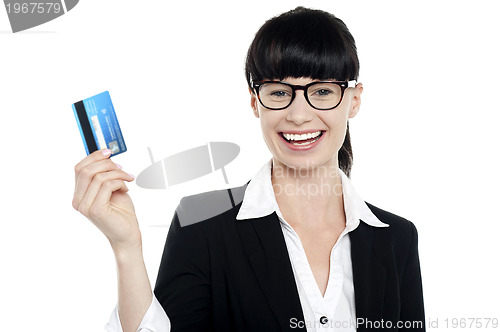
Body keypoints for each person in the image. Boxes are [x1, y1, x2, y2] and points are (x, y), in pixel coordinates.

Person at [72, 6, 425, 332]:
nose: (299, 115)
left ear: (354, 99)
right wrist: (126, 248)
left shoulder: (397, 238)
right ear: (256, 102)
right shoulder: (201, 222)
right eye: (278, 92)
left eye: (321, 92)